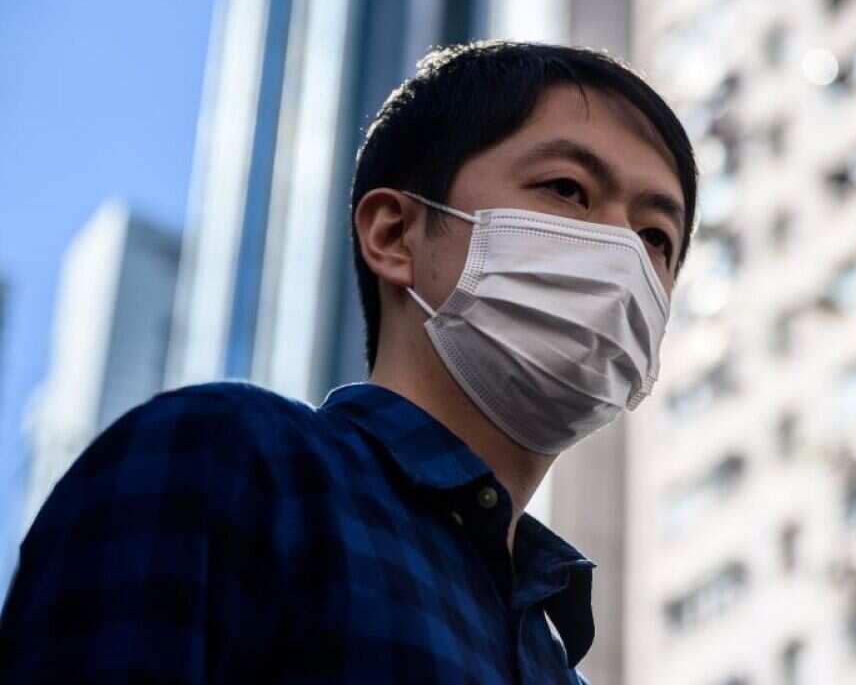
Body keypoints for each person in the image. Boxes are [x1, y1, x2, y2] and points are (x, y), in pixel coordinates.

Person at [0, 41, 697, 684]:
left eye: (656, 239)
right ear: (395, 233)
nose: (622, 255)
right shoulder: (231, 465)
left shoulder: (555, 660)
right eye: (567, 189)